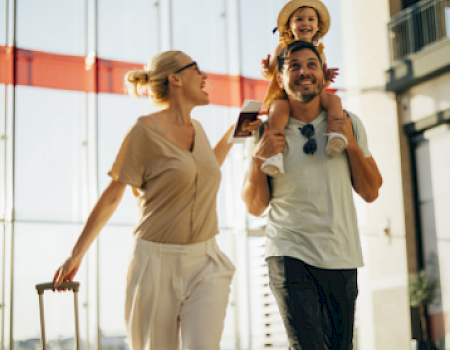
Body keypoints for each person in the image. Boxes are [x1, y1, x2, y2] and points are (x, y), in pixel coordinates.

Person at [53, 50, 260, 350]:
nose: (205, 77)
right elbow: (113, 195)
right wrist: (76, 254)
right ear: (175, 78)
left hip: (205, 262)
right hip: (154, 264)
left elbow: (204, 169)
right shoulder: (144, 131)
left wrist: (233, 133)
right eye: (196, 69)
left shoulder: (198, 129)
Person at [242, 41, 382, 349]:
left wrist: (351, 145)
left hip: (340, 253)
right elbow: (255, 206)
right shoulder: (262, 131)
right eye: (294, 66)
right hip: (289, 250)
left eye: (311, 64)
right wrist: (257, 161)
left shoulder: (348, 122)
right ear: (280, 78)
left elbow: (371, 191)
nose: (304, 71)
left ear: (322, 75)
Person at [260, 0, 347, 177]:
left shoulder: (319, 52)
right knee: (278, 111)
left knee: (334, 101)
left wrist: (326, 78)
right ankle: (275, 154)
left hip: (311, 94)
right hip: (285, 94)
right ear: (289, 26)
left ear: (317, 26)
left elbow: (316, 81)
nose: (305, 23)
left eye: (310, 19)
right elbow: (271, 72)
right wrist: (266, 68)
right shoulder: (282, 46)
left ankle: (335, 134)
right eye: (299, 19)